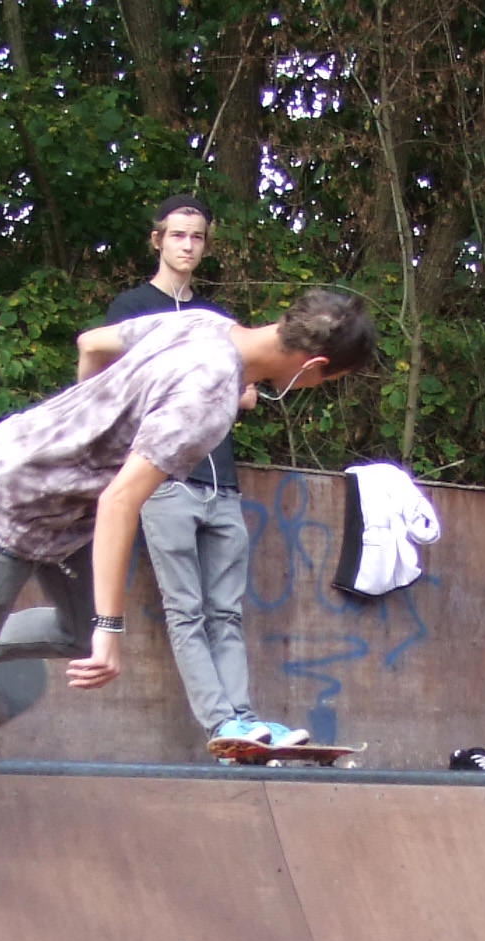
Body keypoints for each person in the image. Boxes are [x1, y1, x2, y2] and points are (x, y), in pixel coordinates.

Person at [0, 289, 377, 824]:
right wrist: (111, 629)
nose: (319, 388)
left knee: (73, 629)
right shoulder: (210, 397)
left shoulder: (202, 322)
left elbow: (92, 344)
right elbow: (121, 501)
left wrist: (82, 428)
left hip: (43, 489)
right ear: (315, 365)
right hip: (10, 505)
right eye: (328, 381)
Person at [108, 193, 308, 749]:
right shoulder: (131, 308)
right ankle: (221, 725)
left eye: (196, 237)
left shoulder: (218, 319)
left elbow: (248, 394)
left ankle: (245, 721)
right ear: (158, 240)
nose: (187, 246)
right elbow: (123, 387)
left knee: (227, 612)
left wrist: (208, 383)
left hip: (222, 483)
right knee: (186, 611)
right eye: (177, 235)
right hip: (163, 480)